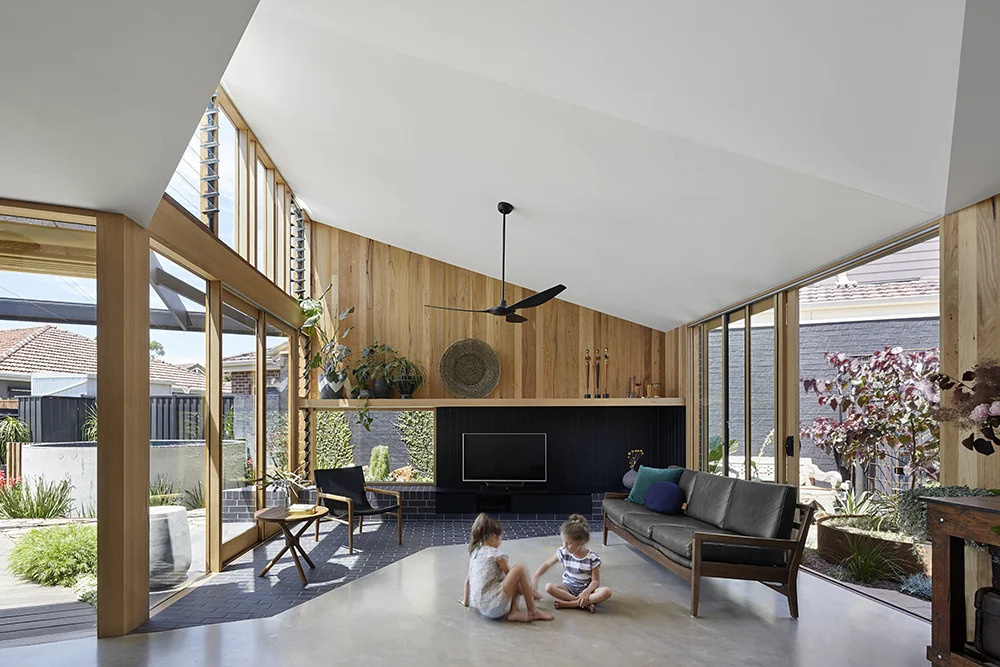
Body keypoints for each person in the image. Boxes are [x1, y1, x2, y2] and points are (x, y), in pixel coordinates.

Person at [459, 513, 554, 622]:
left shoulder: (475, 553)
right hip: (493, 608)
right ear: (494, 537)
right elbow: (513, 577)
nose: (501, 541)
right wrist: (530, 593)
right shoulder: (496, 554)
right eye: (500, 538)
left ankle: (515, 612)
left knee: (509, 577)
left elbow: (467, 581)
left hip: (480, 608)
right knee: (519, 569)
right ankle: (533, 611)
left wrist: (466, 602)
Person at [533, 514, 612, 612]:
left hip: (586, 589)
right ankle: (582, 603)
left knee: (606, 592)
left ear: (581, 542)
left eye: (569, 543)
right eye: (563, 542)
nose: (565, 546)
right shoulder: (564, 552)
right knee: (549, 587)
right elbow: (547, 564)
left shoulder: (592, 558)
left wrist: (586, 592)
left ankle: (570, 604)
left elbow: (595, 581)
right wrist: (536, 576)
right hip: (567, 588)